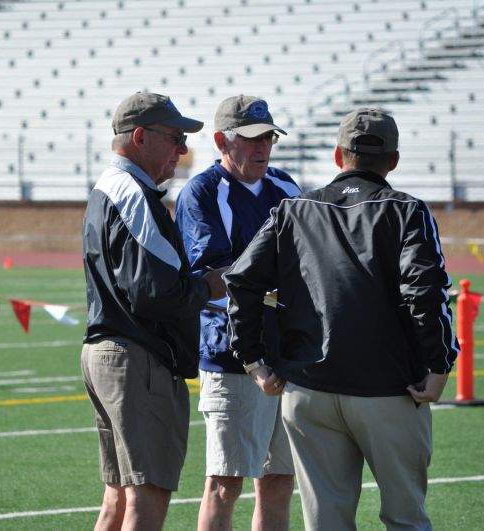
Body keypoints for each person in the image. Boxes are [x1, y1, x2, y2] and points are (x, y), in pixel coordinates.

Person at [224, 107, 460, 530]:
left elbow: (240, 280)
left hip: (308, 389)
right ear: (394, 160)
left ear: (338, 155)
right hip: (389, 389)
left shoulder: (292, 210)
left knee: (326, 523)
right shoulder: (407, 211)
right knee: (406, 518)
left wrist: (254, 360)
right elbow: (425, 292)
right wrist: (440, 364)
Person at [81, 92, 227, 530]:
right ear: (140, 137)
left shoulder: (110, 188)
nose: (183, 150)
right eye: (175, 138)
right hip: (136, 358)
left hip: (109, 351)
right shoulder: (134, 196)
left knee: (118, 500)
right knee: (148, 496)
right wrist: (207, 286)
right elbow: (153, 292)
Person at [174, 95, 300, 531]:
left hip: (286, 353)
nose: (262, 146)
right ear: (222, 141)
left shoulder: (287, 188)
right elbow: (214, 275)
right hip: (230, 356)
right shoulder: (203, 192)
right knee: (224, 483)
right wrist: (278, 282)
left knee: (280, 480)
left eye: (268, 137)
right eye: (250, 139)